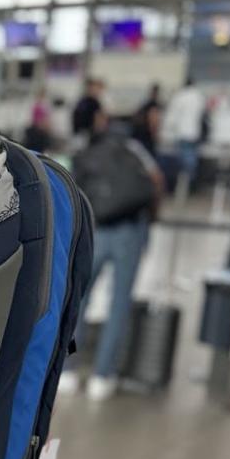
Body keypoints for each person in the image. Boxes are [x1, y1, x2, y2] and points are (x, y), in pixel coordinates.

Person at [58, 109, 163, 402]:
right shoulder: (136, 150)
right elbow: (155, 182)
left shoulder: (91, 151)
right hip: (130, 231)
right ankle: (102, 376)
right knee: (119, 303)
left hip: (98, 229)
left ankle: (67, 369)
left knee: (79, 300)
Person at [162, 76, 206, 185]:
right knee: (191, 156)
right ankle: (189, 180)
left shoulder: (180, 96)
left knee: (184, 159)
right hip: (194, 132)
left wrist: (166, 131)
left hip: (182, 132)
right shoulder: (199, 96)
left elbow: (172, 116)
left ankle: (186, 180)